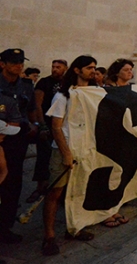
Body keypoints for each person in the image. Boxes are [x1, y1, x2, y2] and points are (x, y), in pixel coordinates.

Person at [42, 55, 98, 255]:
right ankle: (49, 236)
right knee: (55, 193)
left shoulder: (94, 94)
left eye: (94, 68)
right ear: (77, 70)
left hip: (84, 149)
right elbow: (56, 127)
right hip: (64, 150)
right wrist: (66, 154)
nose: (93, 71)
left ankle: (74, 227)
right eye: (89, 67)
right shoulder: (62, 96)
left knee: (78, 191)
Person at [0, 48, 37, 244]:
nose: (19, 65)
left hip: (17, 140)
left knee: (13, 184)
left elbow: (31, 110)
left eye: (21, 61)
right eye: (14, 61)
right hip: (0, 139)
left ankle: (5, 227)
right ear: (2, 64)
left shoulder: (26, 85)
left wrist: (35, 125)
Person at [28, 59, 68, 203]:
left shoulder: (68, 83)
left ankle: (60, 191)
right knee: (43, 158)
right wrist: (42, 125)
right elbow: (37, 104)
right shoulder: (44, 82)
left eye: (58, 67)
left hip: (63, 127)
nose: (55, 69)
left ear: (65, 68)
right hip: (47, 125)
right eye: (53, 66)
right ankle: (40, 189)